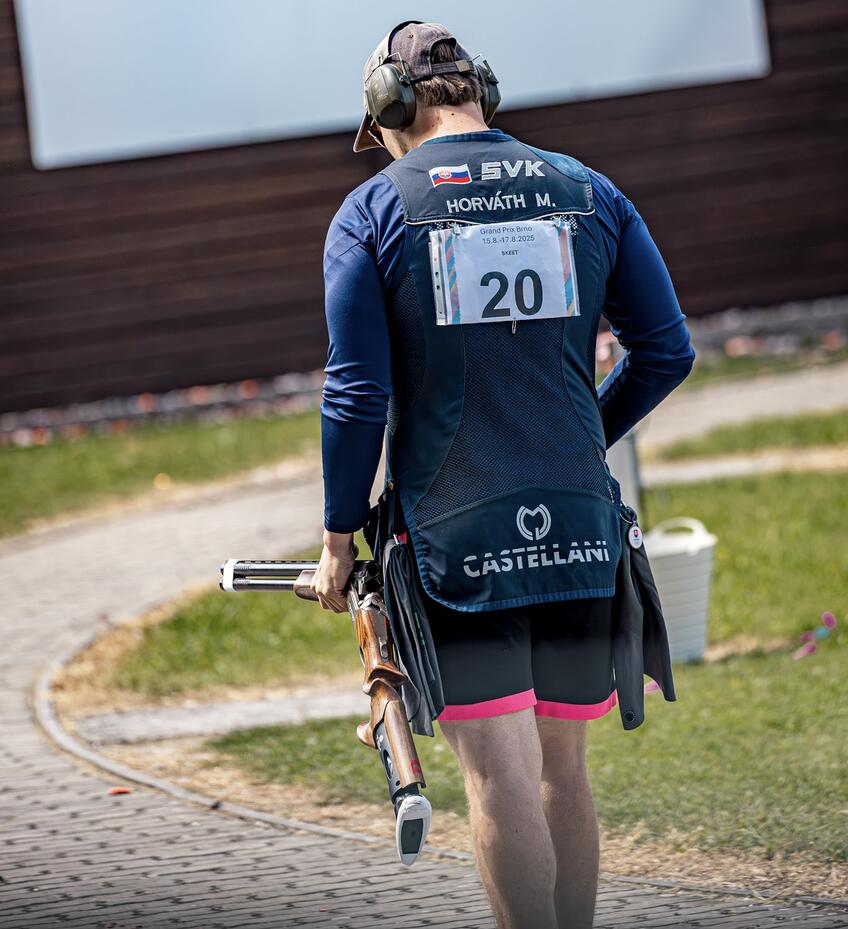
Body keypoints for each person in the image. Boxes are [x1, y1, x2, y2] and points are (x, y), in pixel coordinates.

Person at [311, 21, 695, 929]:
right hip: (580, 531)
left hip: (458, 541)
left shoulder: (371, 212)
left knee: (498, 777)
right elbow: (667, 351)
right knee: (565, 771)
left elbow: (356, 394)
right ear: (480, 88)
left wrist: (337, 536)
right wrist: (580, 442)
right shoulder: (589, 189)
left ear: (390, 108)